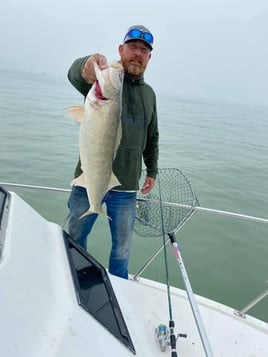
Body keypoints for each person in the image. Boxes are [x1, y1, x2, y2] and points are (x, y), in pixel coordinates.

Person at [67, 25, 159, 279]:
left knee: (122, 249)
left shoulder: (149, 95)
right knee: (74, 236)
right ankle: (74, 275)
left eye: (144, 50)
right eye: (132, 47)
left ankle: (119, 285)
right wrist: (85, 64)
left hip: (126, 187)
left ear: (149, 58)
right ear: (121, 50)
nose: (138, 54)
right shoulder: (103, 82)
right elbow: (75, 75)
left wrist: (152, 169)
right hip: (88, 181)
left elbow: (153, 136)